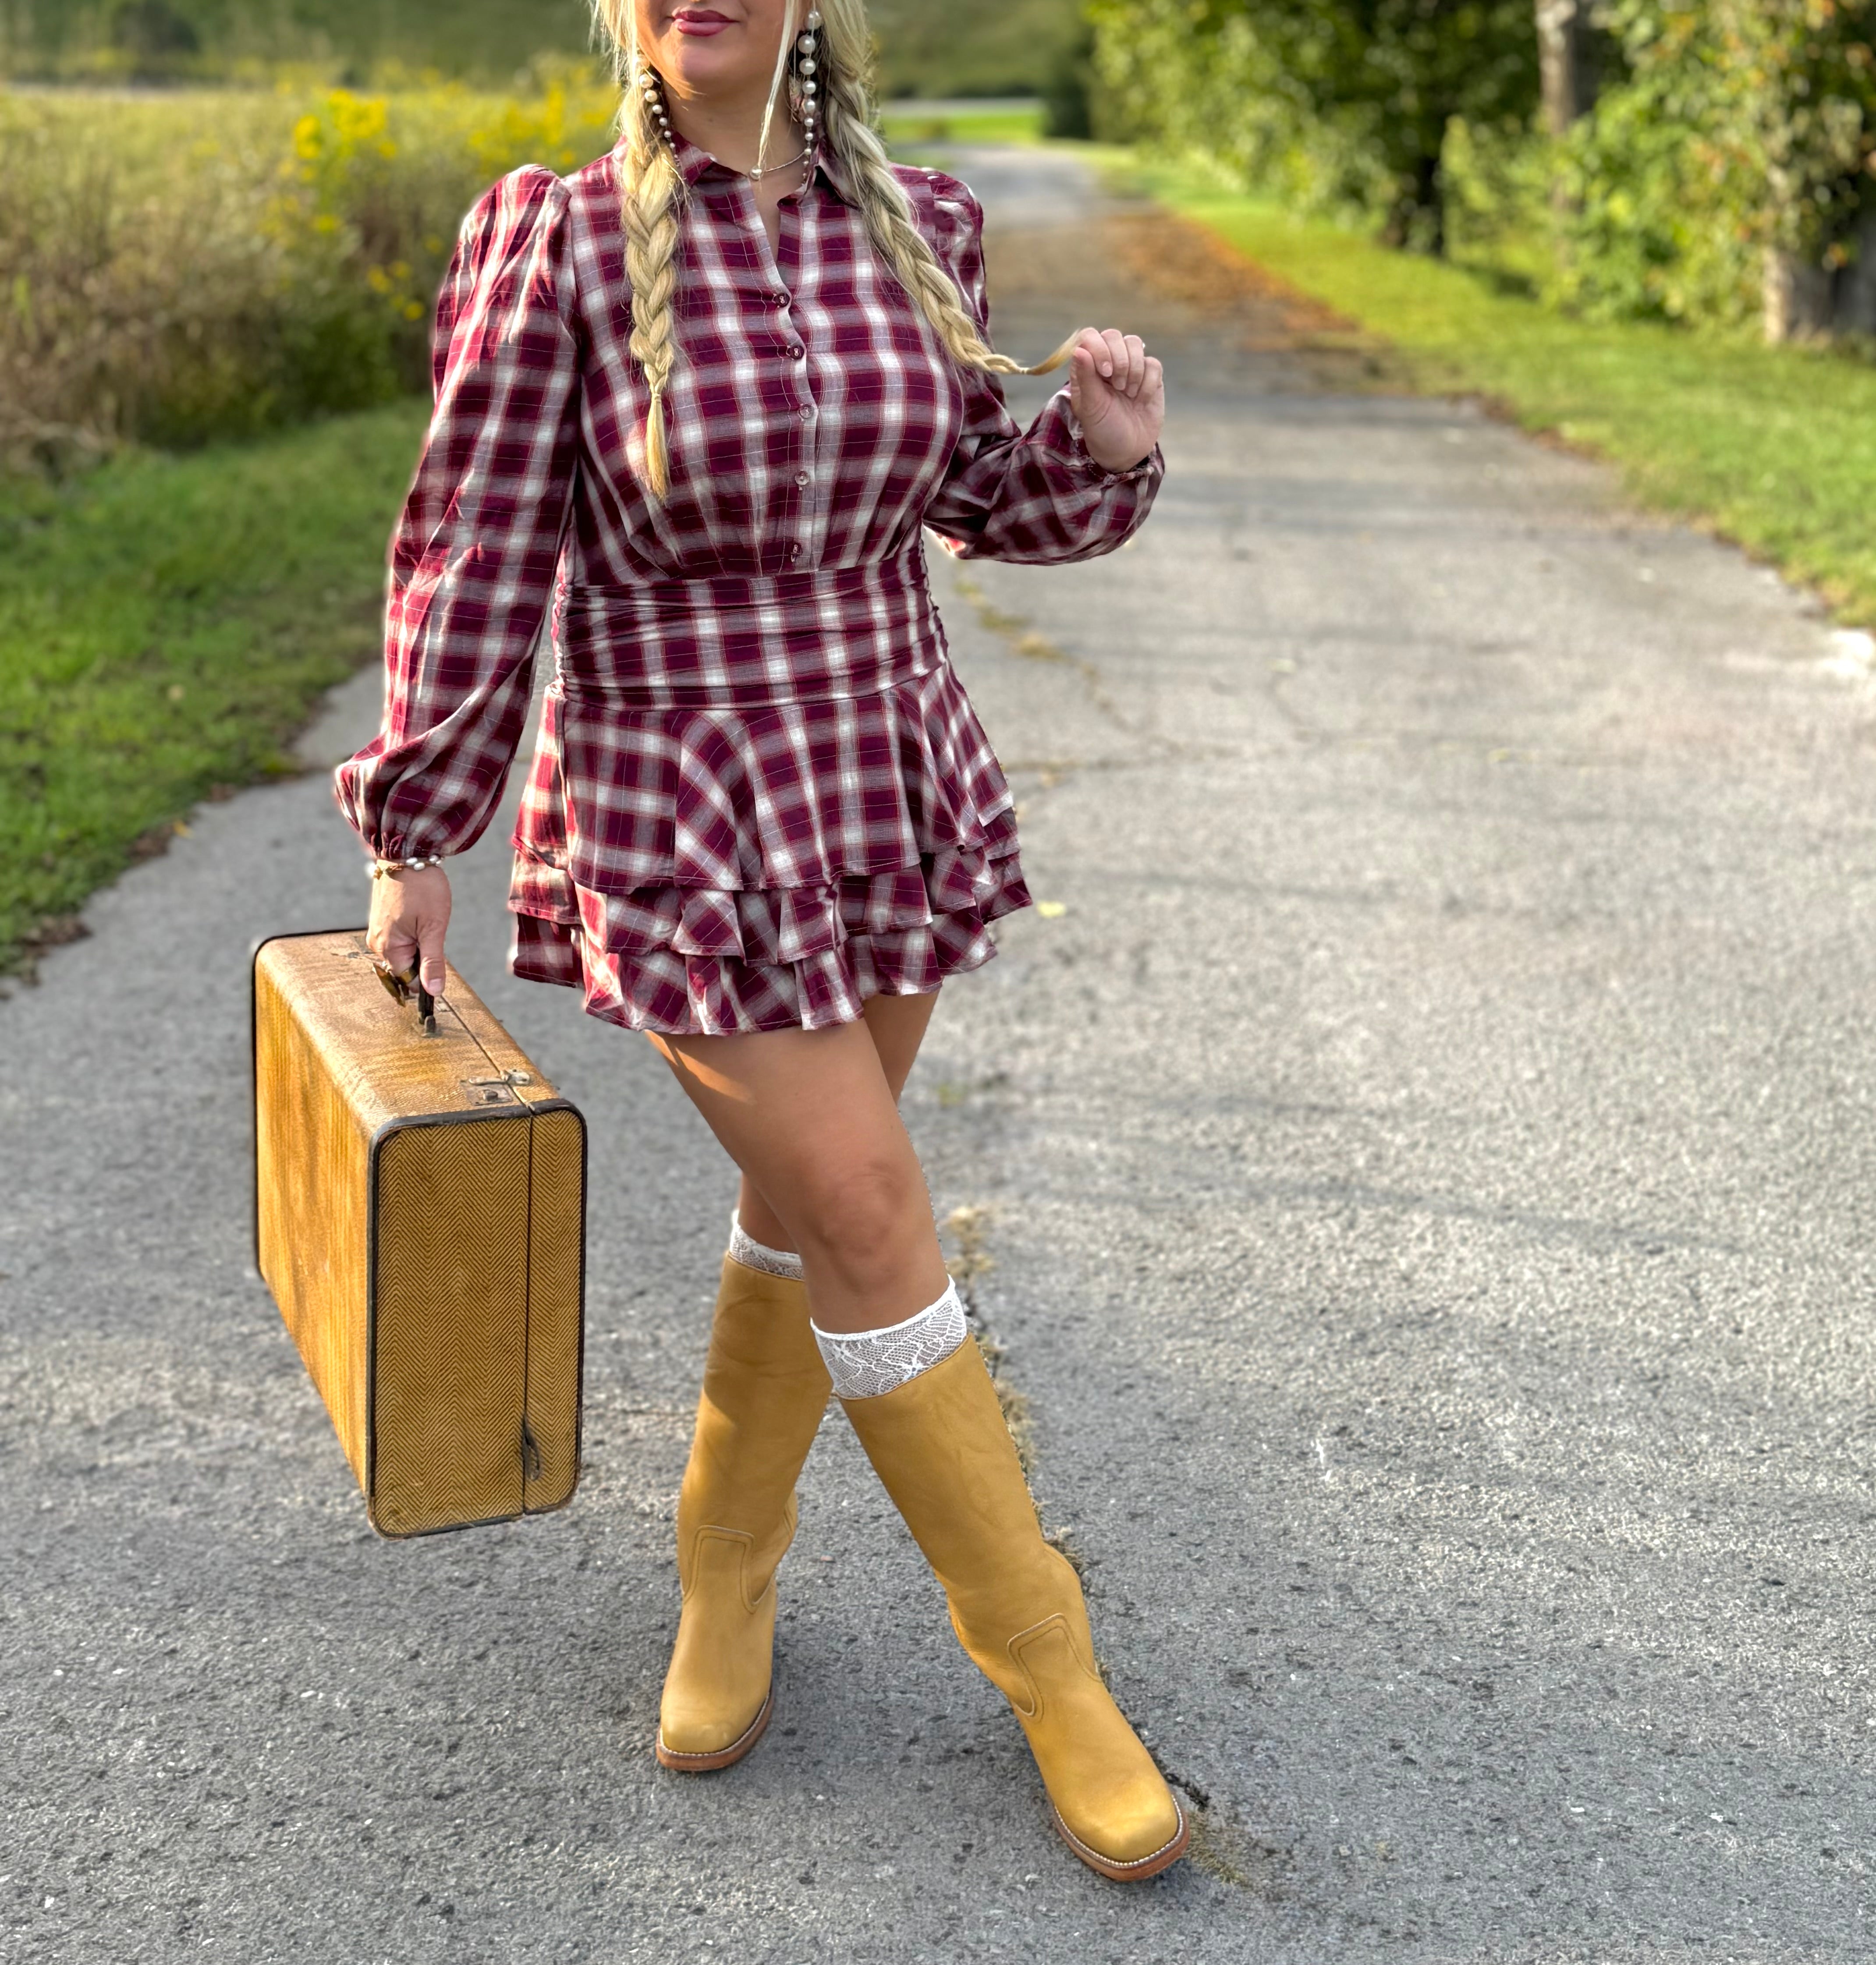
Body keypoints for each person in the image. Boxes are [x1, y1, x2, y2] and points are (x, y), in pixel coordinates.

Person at [336, 0, 1181, 1884]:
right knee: (874, 1211)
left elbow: (970, 496)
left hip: (882, 780)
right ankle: (1052, 1668)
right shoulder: (550, 239)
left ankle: (724, 1566)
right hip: (687, 812)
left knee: (816, 1214)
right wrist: (417, 827)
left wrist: (1099, 450)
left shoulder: (922, 229)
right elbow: (472, 549)